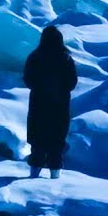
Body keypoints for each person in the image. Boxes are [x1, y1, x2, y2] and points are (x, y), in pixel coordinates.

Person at [23, 26, 78, 179]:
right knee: (56, 142)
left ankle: (33, 176)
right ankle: (55, 178)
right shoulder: (66, 58)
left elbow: (28, 80)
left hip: (38, 105)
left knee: (38, 142)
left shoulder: (34, 57)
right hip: (59, 106)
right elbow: (72, 82)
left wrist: (41, 88)